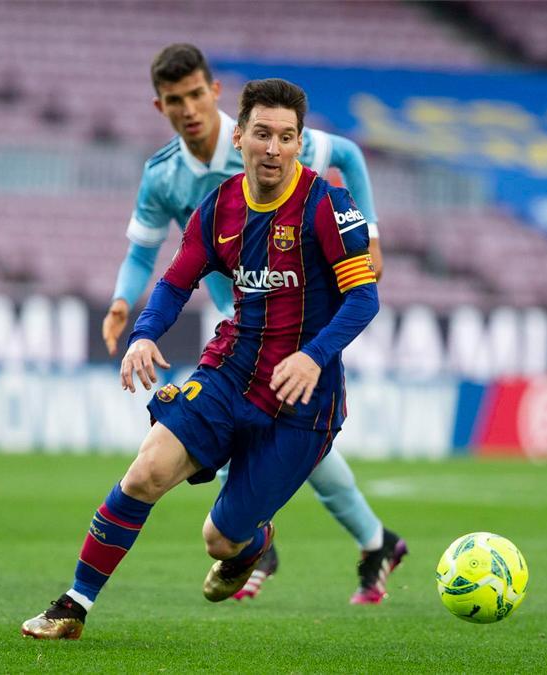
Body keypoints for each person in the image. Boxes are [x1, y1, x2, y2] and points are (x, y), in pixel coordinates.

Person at [23, 79, 381, 640]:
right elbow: (173, 282)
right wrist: (144, 335)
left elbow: (364, 297)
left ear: (299, 143)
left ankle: (254, 544)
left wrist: (313, 357)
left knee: (221, 538)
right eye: (262, 134)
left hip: (303, 399)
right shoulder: (219, 208)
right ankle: (74, 605)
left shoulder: (327, 206)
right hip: (231, 371)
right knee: (147, 471)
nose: (273, 148)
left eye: (286, 138)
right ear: (239, 136)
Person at [102, 44, 403, 603]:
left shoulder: (278, 138)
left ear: (214, 96)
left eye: (196, 94)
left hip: (291, 314)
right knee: (231, 438)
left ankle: (293, 536)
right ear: (160, 106)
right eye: (175, 100)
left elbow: (352, 157)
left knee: (293, 441)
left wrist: (373, 232)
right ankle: (286, 536)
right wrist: (126, 305)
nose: (188, 109)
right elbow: (151, 258)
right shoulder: (164, 174)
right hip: (236, 314)